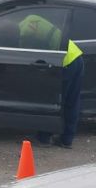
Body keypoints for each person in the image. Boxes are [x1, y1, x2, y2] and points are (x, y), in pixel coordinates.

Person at [17, 13, 84, 149]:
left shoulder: (23, 29)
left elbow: (22, 50)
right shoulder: (34, 19)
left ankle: (44, 137)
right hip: (76, 56)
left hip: (63, 61)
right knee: (72, 100)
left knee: (52, 99)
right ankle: (67, 139)